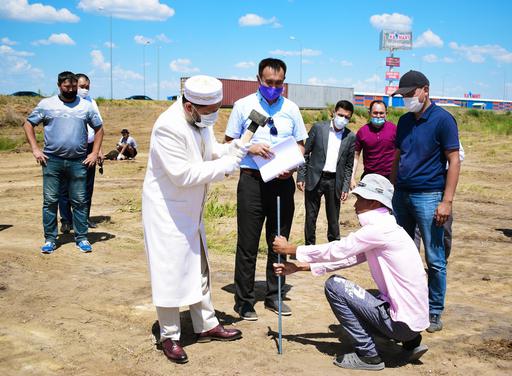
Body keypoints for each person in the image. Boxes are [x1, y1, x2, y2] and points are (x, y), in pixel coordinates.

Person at [273, 174, 429, 371]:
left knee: (334, 286)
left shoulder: (378, 230)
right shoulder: (390, 227)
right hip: (415, 322)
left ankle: (369, 356)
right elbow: (349, 258)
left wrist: (291, 250)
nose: (355, 205)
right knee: (370, 295)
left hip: (402, 325)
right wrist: (300, 267)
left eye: (359, 199)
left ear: (373, 202)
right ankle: (411, 343)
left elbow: (339, 249)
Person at [142, 75, 245, 364]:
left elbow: (212, 151)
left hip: (190, 209)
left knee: (199, 266)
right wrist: (225, 167)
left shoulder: (199, 121)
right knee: (170, 272)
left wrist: (236, 149)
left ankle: (206, 324)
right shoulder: (168, 127)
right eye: (209, 110)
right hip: (167, 212)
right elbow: (183, 174)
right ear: (189, 106)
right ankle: (170, 335)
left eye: (217, 109)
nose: (214, 115)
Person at [225, 58, 308, 321]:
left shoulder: (292, 109)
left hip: (282, 184)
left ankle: (275, 295)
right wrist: (250, 147)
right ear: (258, 79)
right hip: (251, 181)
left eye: (278, 83)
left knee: (278, 242)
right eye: (268, 82)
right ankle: (245, 301)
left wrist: (292, 167)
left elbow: (301, 145)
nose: (273, 87)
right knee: (248, 244)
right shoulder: (243, 106)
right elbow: (229, 142)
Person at [390, 70, 460, 333]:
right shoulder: (405, 121)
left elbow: (454, 160)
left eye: (410, 94)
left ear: (425, 90)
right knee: (403, 254)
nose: (406, 99)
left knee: (435, 256)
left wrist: (447, 201)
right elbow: (398, 156)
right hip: (402, 196)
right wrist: (392, 186)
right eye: (403, 95)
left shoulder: (443, 120)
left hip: (429, 196)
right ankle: (407, 303)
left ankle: (434, 310)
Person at [22, 71, 104, 254]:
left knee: (80, 201)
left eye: (74, 87)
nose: (72, 90)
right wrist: (35, 149)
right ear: (59, 86)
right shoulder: (47, 104)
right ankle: (50, 239)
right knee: (50, 201)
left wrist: (95, 152)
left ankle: (82, 238)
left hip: (78, 162)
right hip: (52, 161)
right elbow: (28, 124)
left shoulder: (85, 106)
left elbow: (99, 129)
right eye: (68, 87)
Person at [297, 100, 355, 245]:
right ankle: (310, 248)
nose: (343, 119)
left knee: (333, 218)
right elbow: (305, 153)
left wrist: (345, 186)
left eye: (347, 117)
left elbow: (348, 165)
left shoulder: (350, 137)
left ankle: (333, 248)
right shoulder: (318, 128)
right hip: (315, 178)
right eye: (340, 115)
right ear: (334, 113)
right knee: (310, 216)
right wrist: (301, 175)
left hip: (335, 181)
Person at [58, 73, 104, 232]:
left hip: (90, 149)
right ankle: (66, 220)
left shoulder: (92, 102)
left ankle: (84, 217)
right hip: (70, 150)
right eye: (82, 87)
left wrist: (99, 151)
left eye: (87, 87)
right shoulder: (64, 103)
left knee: (87, 186)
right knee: (66, 186)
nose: (85, 90)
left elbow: (99, 128)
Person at [414, 143, 465, 260]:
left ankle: (440, 261)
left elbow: (458, 156)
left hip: (440, 182)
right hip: (418, 182)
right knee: (415, 229)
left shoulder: (446, 128)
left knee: (443, 226)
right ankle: (413, 265)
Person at [350, 100, 396, 189]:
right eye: (375, 113)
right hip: (369, 177)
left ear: (386, 113)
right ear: (369, 113)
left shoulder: (394, 129)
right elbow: (356, 156)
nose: (378, 116)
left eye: (381, 113)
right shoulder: (362, 131)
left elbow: (401, 153)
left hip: (390, 178)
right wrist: (352, 178)